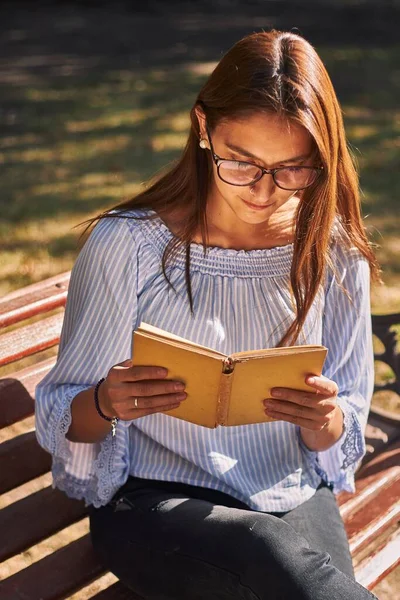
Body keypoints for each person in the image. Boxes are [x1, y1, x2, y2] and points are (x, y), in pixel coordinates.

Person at [35, 29, 381, 600]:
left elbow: (345, 424)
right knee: (267, 553)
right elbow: (61, 417)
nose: (265, 192)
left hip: (288, 490)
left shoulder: (333, 250)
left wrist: (325, 421)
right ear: (202, 128)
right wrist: (104, 401)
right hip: (155, 504)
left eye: (294, 168)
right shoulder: (131, 245)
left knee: (303, 575)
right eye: (241, 163)